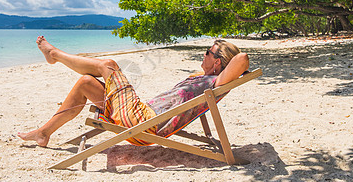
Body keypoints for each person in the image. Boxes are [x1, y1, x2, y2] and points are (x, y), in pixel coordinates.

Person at [18, 36, 249, 147]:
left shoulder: (216, 82)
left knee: (107, 65)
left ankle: (55, 55)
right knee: (86, 82)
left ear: (218, 62)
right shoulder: (202, 79)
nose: (204, 54)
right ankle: (43, 133)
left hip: (144, 122)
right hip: (139, 116)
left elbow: (242, 58)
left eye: (208, 52)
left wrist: (225, 64)